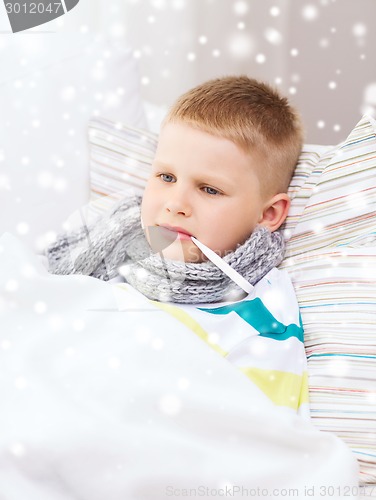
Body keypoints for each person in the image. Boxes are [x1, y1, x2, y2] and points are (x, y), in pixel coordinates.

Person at [46, 75, 303, 304]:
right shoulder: (107, 254)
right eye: (166, 177)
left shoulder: (267, 302)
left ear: (268, 214)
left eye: (210, 190)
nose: (175, 204)